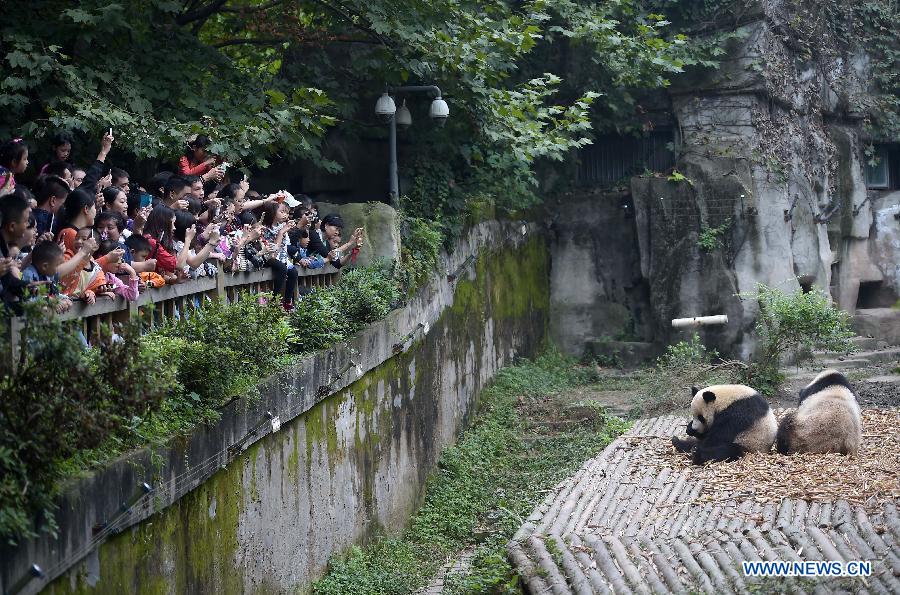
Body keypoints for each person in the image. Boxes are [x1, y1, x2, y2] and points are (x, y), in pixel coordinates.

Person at [260, 202, 299, 310]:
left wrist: (287, 230)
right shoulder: (265, 228)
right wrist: (281, 233)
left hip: (281, 255)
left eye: (286, 213)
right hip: (267, 255)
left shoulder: (281, 226)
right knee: (282, 268)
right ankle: (274, 301)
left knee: (294, 272)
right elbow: (273, 252)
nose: (285, 215)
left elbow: (285, 246)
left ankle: (287, 302)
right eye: (282, 212)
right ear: (272, 212)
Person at [21, 240, 72, 312]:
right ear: (45, 266)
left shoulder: (48, 276)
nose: (59, 268)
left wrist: (65, 299)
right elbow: (28, 299)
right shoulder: (28, 275)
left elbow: (54, 294)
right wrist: (50, 301)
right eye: (57, 265)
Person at [0, 192, 32, 308]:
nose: (28, 224)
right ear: (12, 226)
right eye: (25, 221)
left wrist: (29, 287)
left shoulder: (4, 248)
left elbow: (8, 280)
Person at [141, 205, 180, 276]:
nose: (174, 228)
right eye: (172, 223)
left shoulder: (158, 241)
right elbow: (177, 265)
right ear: (163, 223)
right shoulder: (151, 242)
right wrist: (188, 240)